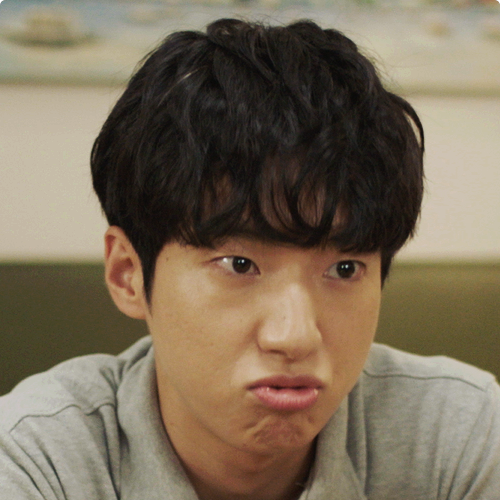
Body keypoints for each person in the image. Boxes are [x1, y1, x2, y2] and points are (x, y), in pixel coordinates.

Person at [1, 18, 499, 500]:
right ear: (128, 274)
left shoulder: (460, 437)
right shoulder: (36, 460)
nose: (295, 337)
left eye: (344, 269)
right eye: (239, 265)